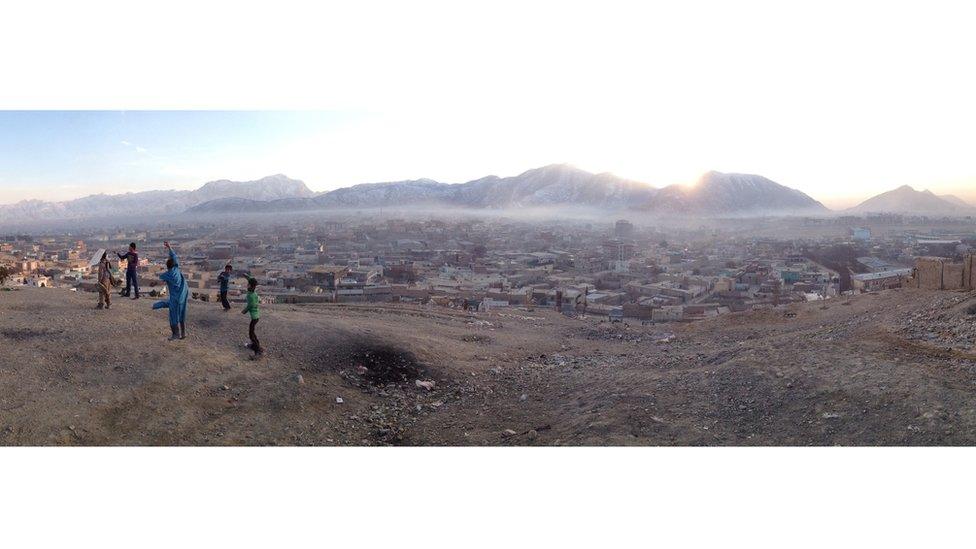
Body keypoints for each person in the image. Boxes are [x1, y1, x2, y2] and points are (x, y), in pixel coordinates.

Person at [156, 241, 189, 340]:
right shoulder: (176, 267)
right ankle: (183, 333)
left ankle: (175, 334)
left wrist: (153, 283)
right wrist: (169, 247)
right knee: (182, 313)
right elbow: (174, 255)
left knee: (173, 315)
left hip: (176, 298)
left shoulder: (168, 274)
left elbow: (159, 280)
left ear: (167, 266)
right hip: (184, 294)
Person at [242, 276, 263, 357]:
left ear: (250, 286)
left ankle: (257, 350)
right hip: (256, 315)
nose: (247, 285)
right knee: (252, 332)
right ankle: (256, 345)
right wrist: (246, 276)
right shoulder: (253, 292)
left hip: (254, 317)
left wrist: (245, 310)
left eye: (248, 284)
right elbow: (251, 279)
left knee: (251, 333)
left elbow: (251, 305)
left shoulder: (250, 295)